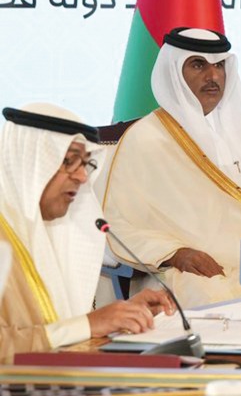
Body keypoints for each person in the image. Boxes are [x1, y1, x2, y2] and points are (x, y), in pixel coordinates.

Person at [102, 27, 241, 307]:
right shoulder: (146, 138)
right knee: (208, 295)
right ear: (174, 72)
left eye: (219, 65)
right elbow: (120, 222)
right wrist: (175, 253)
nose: (213, 76)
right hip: (193, 271)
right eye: (198, 65)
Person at [0, 104, 175, 362]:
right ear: (27, 161)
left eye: (85, 163)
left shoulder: (40, 234)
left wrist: (122, 314)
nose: (83, 176)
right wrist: (90, 324)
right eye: (68, 161)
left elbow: (47, 326)